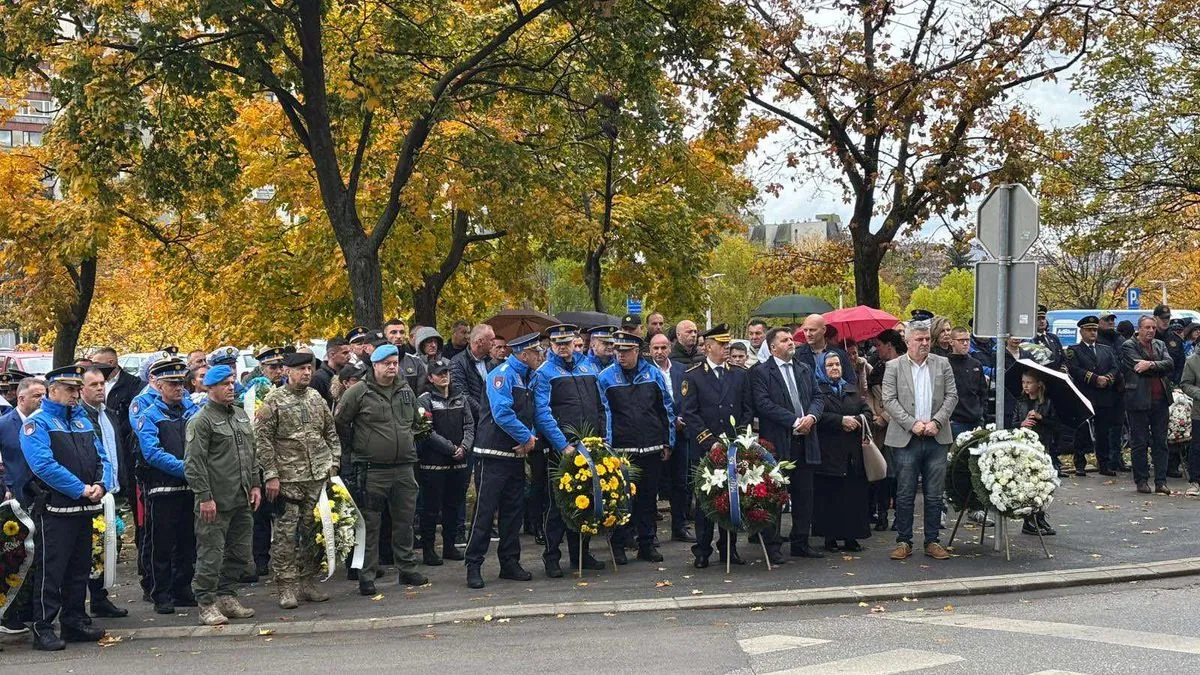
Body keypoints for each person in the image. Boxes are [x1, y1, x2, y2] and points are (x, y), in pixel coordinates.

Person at [21, 365, 110, 651]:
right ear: (53, 390)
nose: (76, 394)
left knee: (79, 569)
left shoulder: (83, 421)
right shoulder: (38, 423)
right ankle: (43, 626)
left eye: (77, 389)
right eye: (70, 389)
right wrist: (81, 489)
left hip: (84, 509)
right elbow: (44, 466)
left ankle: (74, 621)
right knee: (51, 572)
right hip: (55, 511)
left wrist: (101, 483)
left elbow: (103, 457)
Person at [334, 344, 427, 595]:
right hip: (373, 469)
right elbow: (341, 423)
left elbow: (416, 422)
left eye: (395, 363)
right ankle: (367, 574)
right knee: (370, 524)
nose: (392, 367)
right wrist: (358, 448)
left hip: (404, 467)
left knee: (405, 520)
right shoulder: (358, 392)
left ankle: (406, 568)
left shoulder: (405, 389)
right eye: (386, 363)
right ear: (374, 365)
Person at [255, 351, 340, 608]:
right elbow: (263, 440)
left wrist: (333, 463)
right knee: (285, 536)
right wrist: (270, 475)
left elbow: (330, 433)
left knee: (314, 532)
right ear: (287, 371)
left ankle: (308, 582)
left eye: (309, 368)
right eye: (301, 369)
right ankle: (286, 587)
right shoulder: (273, 401)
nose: (306, 373)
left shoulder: (316, 398)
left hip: (317, 478)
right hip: (288, 481)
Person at [465, 332, 544, 589]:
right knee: (485, 513)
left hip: (515, 454)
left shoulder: (527, 377)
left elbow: (529, 414)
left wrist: (529, 436)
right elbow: (502, 413)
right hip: (493, 454)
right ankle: (473, 564)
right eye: (536, 352)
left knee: (513, 511)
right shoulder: (503, 374)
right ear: (523, 354)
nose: (540, 355)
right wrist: (528, 439)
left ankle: (509, 562)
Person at [184, 365, 261, 626]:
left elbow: (251, 454)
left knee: (240, 552)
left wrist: (255, 484)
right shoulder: (201, 421)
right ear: (210, 388)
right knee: (211, 554)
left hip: (241, 497)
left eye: (232, 382)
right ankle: (206, 603)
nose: (231, 387)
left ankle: (228, 595)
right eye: (225, 384)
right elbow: (194, 463)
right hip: (215, 500)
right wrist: (204, 496)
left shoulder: (239, 415)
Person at [533, 324, 607, 577]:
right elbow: (542, 413)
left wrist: (602, 437)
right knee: (558, 505)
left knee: (586, 498)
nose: (563, 347)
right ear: (551, 344)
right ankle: (552, 556)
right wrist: (561, 444)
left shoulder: (589, 367)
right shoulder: (544, 373)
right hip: (562, 450)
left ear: (574, 341)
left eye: (567, 342)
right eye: (558, 343)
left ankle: (581, 554)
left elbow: (600, 406)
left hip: (590, 446)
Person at [881, 320, 958, 562]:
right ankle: (904, 540)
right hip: (906, 438)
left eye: (927, 339)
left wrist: (936, 422)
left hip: (937, 436)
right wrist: (911, 424)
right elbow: (889, 400)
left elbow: (952, 396)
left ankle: (932, 541)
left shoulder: (942, 363)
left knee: (935, 494)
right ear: (907, 341)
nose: (924, 343)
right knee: (905, 493)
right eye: (919, 340)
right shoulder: (893, 366)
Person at [597, 331, 674, 564]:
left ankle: (647, 544)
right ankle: (619, 544)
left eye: (626, 352)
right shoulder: (605, 377)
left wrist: (668, 441)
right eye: (618, 351)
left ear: (637, 352)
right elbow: (604, 413)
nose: (621, 356)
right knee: (621, 499)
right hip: (621, 449)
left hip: (651, 445)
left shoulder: (653, 374)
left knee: (648, 500)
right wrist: (608, 446)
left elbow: (666, 408)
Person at [680, 324, 753, 568]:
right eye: (722, 345)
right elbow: (690, 414)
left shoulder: (740, 374)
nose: (727, 349)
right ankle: (702, 549)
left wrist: (739, 439)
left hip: (732, 447)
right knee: (705, 501)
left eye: (728, 344)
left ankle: (729, 548)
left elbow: (746, 410)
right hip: (706, 449)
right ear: (708, 346)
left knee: (731, 497)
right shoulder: (693, 375)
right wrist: (710, 442)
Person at [751, 326, 824, 563]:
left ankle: (800, 541)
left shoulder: (803, 369)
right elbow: (763, 404)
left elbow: (817, 397)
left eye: (791, 338)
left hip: (805, 440)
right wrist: (794, 421)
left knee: (804, 494)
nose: (791, 342)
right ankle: (773, 546)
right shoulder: (761, 372)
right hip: (778, 443)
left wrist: (811, 417)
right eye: (785, 340)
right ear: (773, 347)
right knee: (775, 495)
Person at [134, 358, 201, 615]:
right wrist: (185, 468)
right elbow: (152, 452)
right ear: (159, 386)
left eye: (180, 383)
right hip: (162, 489)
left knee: (187, 542)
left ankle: (182, 587)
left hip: (190, 489)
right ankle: (161, 592)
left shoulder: (192, 412)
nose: (178, 388)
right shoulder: (149, 414)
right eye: (172, 383)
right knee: (161, 544)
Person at [78, 367, 129, 620]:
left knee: (108, 547)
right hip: (92, 491)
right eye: (94, 384)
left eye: (102, 383)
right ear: (81, 389)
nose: (101, 388)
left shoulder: (108, 413)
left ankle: (99, 597)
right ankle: (81, 604)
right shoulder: (79, 416)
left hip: (113, 492)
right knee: (90, 549)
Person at [812, 352, 873, 552]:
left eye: (837, 364)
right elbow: (817, 416)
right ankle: (830, 538)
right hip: (829, 452)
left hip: (852, 453)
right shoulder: (818, 390)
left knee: (852, 497)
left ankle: (851, 537)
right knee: (830, 496)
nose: (835, 368)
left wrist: (857, 420)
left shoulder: (850, 388)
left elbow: (867, 411)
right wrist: (840, 421)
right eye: (829, 365)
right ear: (823, 368)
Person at [415, 359, 473, 566]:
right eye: (439, 373)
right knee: (430, 508)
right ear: (430, 378)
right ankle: (429, 549)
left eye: (446, 372)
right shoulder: (425, 400)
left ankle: (449, 546)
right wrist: (451, 448)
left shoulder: (460, 397)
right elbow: (426, 431)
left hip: (458, 462)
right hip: (433, 464)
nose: (444, 376)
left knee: (453, 505)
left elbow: (469, 424)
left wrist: (464, 447)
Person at [1120, 316, 1174, 495]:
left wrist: (1150, 364)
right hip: (1138, 400)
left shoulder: (1160, 345)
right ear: (1139, 329)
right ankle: (1141, 480)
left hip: (1160, 400)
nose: (1151, 330)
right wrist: (1158, 367)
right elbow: (1136, 367)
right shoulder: (1129, 345)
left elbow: (1169, 364)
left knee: (1161, 442)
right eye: (1147, 327)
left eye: (1153, 327)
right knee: (1139, 443)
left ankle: (1161, 481)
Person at [649, 333, 693, 543]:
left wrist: (681, 417)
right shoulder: (646, 372)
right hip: (657, 434)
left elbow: (688, 396)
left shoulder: (681, 370)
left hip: (682, 433)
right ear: (650, 350)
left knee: (681, 483)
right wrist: (670, 420)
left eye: (663, 348)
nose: (659, 352)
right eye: (655, 348)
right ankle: (651, 533)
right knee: (654, 482)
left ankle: (680, 526)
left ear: (670, 348)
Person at [1066, 316, 1120, 477]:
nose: (1092, 333)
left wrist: (1108, 379)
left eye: (1094, 330)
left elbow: (1115, 367)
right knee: (1082, 431)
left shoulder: (1106, 349)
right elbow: (1075, 369)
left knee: (1103, 432)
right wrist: (1096, 379)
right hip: (1085, 395)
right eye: (1089, 330)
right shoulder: (1074, 350)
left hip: (1104, 396)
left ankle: (1104, 463)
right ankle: (1080, 463)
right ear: (1081, 331)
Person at [1009, 370, 1058, 536]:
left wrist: (1040, 417)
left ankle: (1040, 516)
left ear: (1038, 384)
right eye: (1024, 383)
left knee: (1043, 484)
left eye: (1029, 382)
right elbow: (1013, 424)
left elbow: (1055, 425)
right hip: (1025, 448)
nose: (1026, 386)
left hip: (1042, 446)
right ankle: (1029, 520)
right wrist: (1022, 423)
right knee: (1028, 484)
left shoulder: (1048, 403)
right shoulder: (1021, 402)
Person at [867, 329, 904, 532]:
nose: (876, 349)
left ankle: (899, 514)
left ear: (889, 345)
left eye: (879, 345)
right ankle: (881, 514)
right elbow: (869, 394)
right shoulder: (878, 368)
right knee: (881, 473)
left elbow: (905, 398)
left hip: (898, 426)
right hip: (878, 430)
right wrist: (874, 413)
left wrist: (886, 416)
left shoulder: (904, 366)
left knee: (897, 475)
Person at [449, 323, 496, 424]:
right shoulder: (457, 362)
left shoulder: (491, 362)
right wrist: (484, 414)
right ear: (480, 342)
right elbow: (462, 394)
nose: (494, 343)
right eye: (491, 340)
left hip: (491, 420)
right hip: (471, 422)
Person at [796, 314, 858, 385]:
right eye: (805, 330)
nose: (808, 334)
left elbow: (851, 381)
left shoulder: (840, 354)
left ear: (824, 330)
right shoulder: (797, 355)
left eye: (812, 330)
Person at [386, 318, 429, 393]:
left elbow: (422, 393)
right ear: (385, 336)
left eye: (402, 332)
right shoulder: (377, 362)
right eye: (393, 332)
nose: (398, 336)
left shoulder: (416, 362)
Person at [1153, 304, 1186, 383]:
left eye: (1167, 318)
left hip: (1171, 383)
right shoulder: (1149, 337)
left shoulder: (1176, 339)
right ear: (1155, 318)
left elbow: (1181, 364)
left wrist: (1175, 382)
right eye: (1162, 318)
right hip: (1153, 382)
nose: (1166, 321)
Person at [313, 337, 350, 407]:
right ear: (332, 354)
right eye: (345, 353)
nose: (349, 356)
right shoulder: (318, 378)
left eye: (349, 352)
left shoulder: (349, 373)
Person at [1032, 305, 1065, 369]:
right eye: (1038, 319)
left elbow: (1063, 357)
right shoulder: (1030, 339)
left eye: (1043, 318)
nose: (1041, 321)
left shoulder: (1053, 337)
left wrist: (1063, 368)